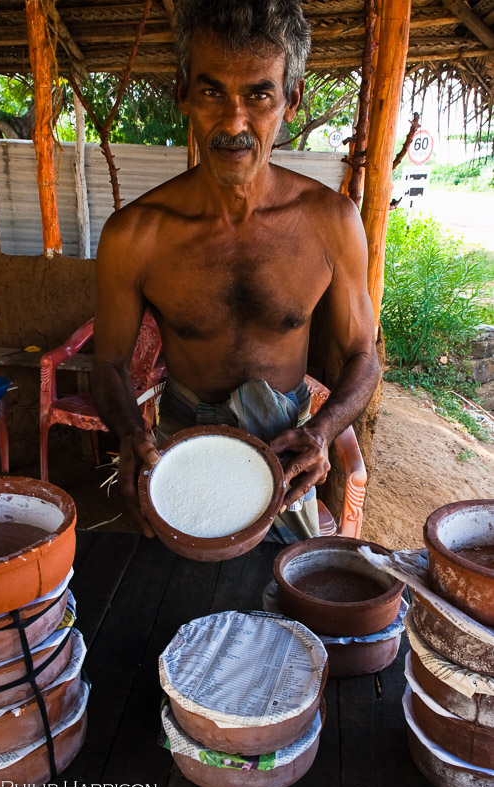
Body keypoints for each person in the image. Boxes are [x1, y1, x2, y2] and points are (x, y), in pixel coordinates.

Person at [92, 0, 381, 541]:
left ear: (291, 99)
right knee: (173, 603)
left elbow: (364, 355)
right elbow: (106, 362)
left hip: (288, 452)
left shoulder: (331, 223)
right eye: (211, 92)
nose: (233, 122)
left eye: (259, 94)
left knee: (283, 605)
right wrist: (131, 434)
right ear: (183, 93)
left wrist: (319, 433)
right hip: (179, 451)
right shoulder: (135, 234)